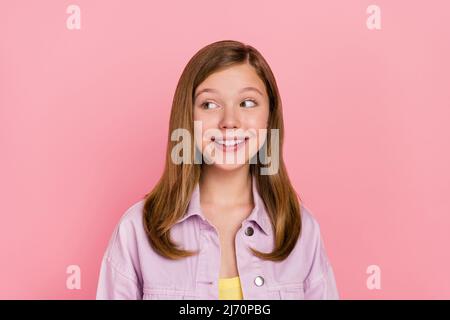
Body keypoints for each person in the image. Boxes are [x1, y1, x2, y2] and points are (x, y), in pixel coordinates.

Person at [96, 40, 339, 300]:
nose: (229, 122)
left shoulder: (301, 229)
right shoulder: (136, 230)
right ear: (187, 116)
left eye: (247, 103)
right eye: (210, 105)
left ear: (270, 117)